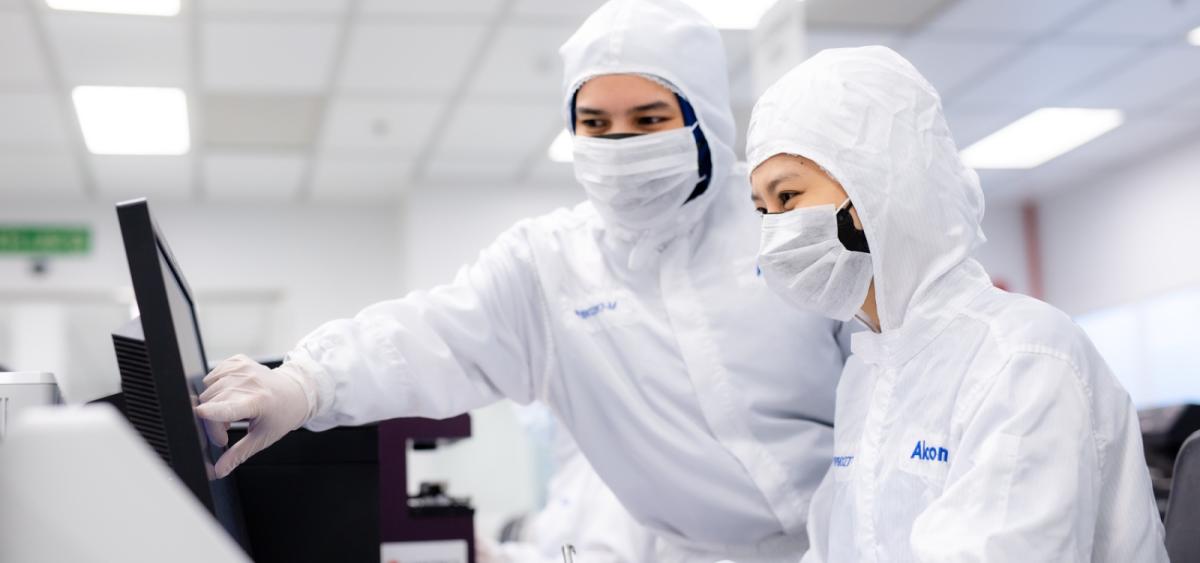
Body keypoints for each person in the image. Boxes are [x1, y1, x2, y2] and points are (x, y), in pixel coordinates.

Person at [196, 1, 852, 560]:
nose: (619, 142)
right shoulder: (549, 266)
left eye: (649, 119)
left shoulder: (785, 219)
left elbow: (887, 376)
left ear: (705, 119)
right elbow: (430, 335)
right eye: (595, 123)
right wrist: (303, 382)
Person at [744, 46, 1168, 561]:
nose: (772, 231)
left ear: (875, 185)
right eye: (762, 208)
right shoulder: (871, 374)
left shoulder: (1022, 356)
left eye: (787, 198)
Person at [477, 404, 654, 563]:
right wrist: (497, 556)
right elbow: (555, 551)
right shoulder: (569, 468)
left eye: (532, 399)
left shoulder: (606, 467)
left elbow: (609, 559)